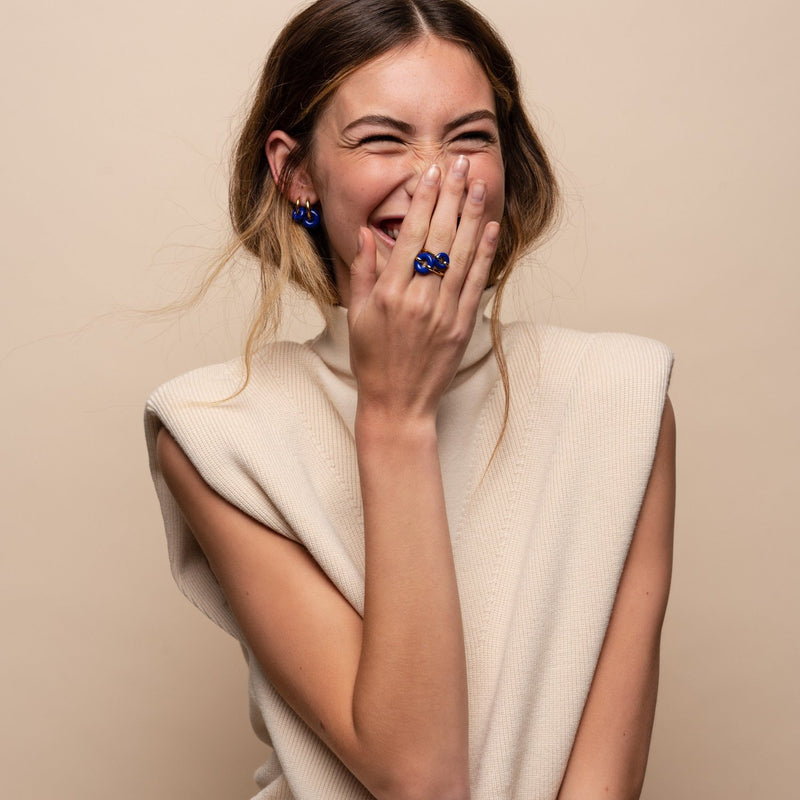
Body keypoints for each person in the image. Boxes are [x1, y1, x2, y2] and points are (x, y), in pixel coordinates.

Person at [144, 1, 675, 798]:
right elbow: (419, 780)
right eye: (383, 138)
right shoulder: (213, 428)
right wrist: (396, 415)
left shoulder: (621, 398)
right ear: (296, 174)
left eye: (470, 137)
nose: (434, 176)